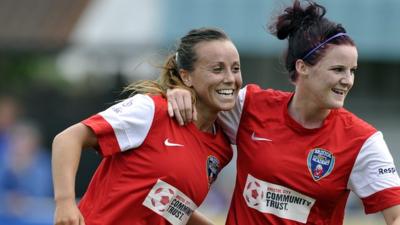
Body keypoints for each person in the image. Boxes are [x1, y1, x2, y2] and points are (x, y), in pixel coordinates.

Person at [166, 1, 400, 224]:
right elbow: (203, 94)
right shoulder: (250, 105)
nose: (347, 81)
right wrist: (180, 89)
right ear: (302, 67)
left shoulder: (363, 142)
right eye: (338, 69)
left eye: (352, 71)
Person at [52, 27, 242, 225]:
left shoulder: (221, 148)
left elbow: (166, 202)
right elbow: (67, 139)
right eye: (217, 69)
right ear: (186, 76)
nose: (230, 78)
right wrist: (65, 203)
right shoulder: (152, 111)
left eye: (235, 68)